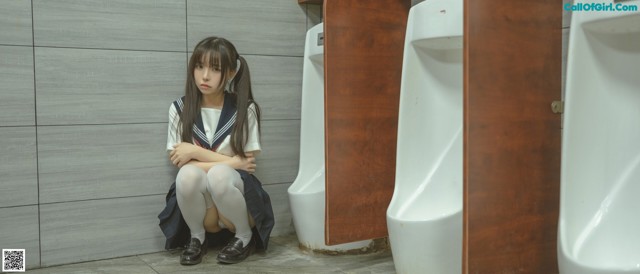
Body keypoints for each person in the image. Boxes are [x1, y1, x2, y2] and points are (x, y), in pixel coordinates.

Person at [160, 37, 274, 266]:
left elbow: (248, 162)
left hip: (235, 201)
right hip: (205, 210)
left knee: (218, 175)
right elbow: (181, 164)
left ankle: (244, 236)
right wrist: (234, 162)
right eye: (199, 66)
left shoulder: (245, 108)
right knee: (186, 176)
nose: (204, 76)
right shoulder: (179, 109)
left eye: (215, 69)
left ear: (230, 73)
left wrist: (195, 152)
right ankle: (197, 238)